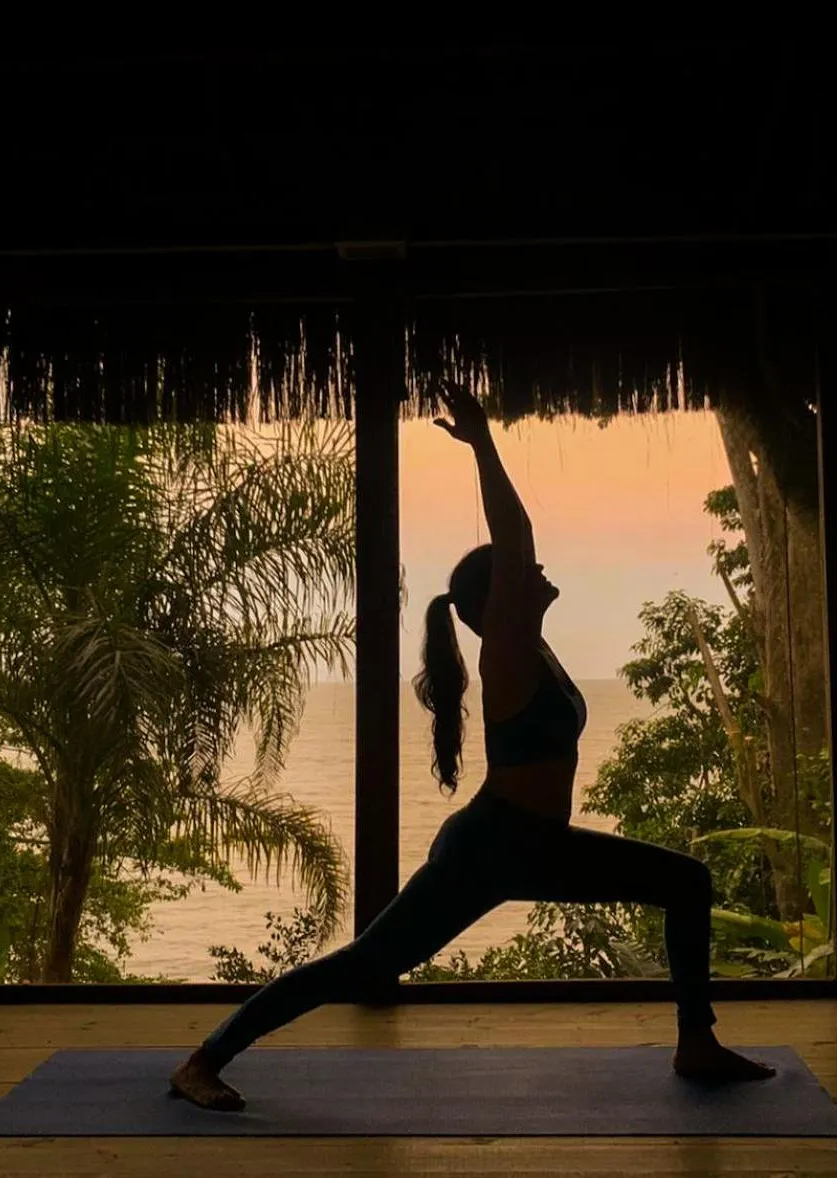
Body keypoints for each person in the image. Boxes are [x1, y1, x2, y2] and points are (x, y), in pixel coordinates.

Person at [169, 385, 775, 1111]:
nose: (542, 571)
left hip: (535, 843)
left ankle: (695, 1043)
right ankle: (203, 1060)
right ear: (502, 597)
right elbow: (515, 536)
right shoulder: (508, 654)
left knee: (686, 882)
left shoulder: (536, 648)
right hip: (491, 846)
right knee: (364, 966)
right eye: (524, 573)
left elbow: (519, 555)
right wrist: (483, 444)